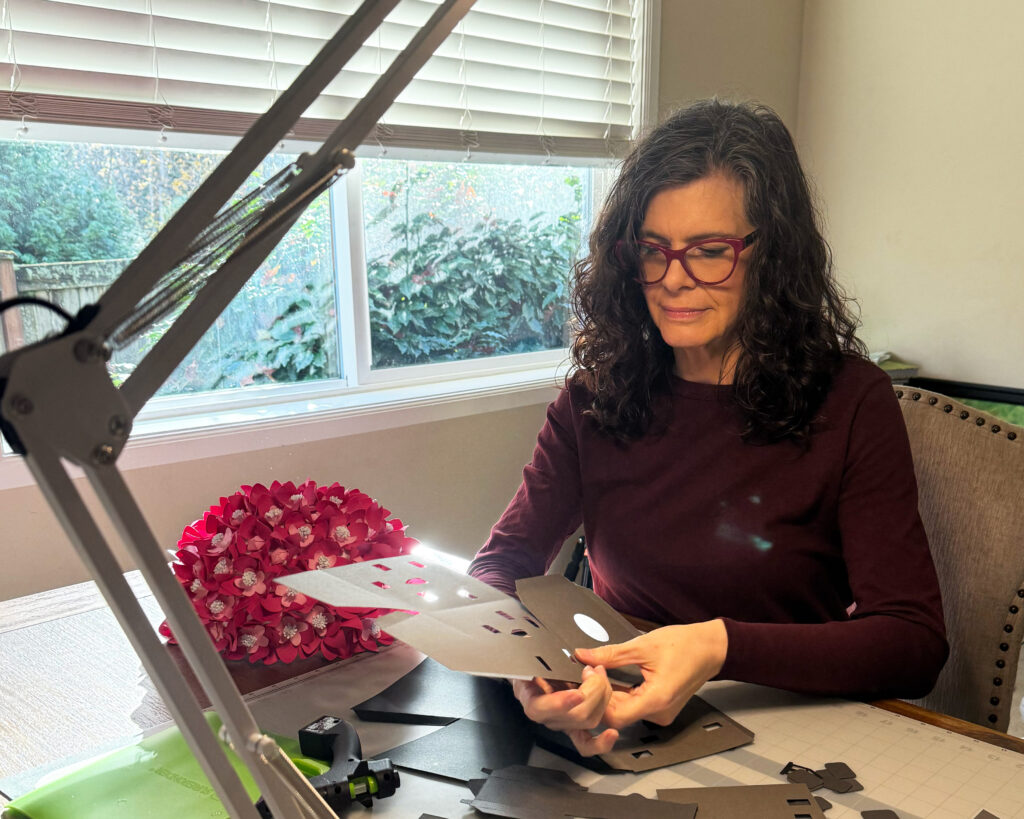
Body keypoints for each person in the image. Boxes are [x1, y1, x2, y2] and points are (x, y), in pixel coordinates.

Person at [467, 99, 948, 756]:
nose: (673, 279)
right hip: (624, 728)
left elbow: (913, 642)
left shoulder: (852, 400)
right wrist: (528, 667)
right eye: (652, 251)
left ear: (771, 254)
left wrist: (720, 644)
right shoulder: (593, 398)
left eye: (710, 251)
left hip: (792, 733)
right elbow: (500, 564)